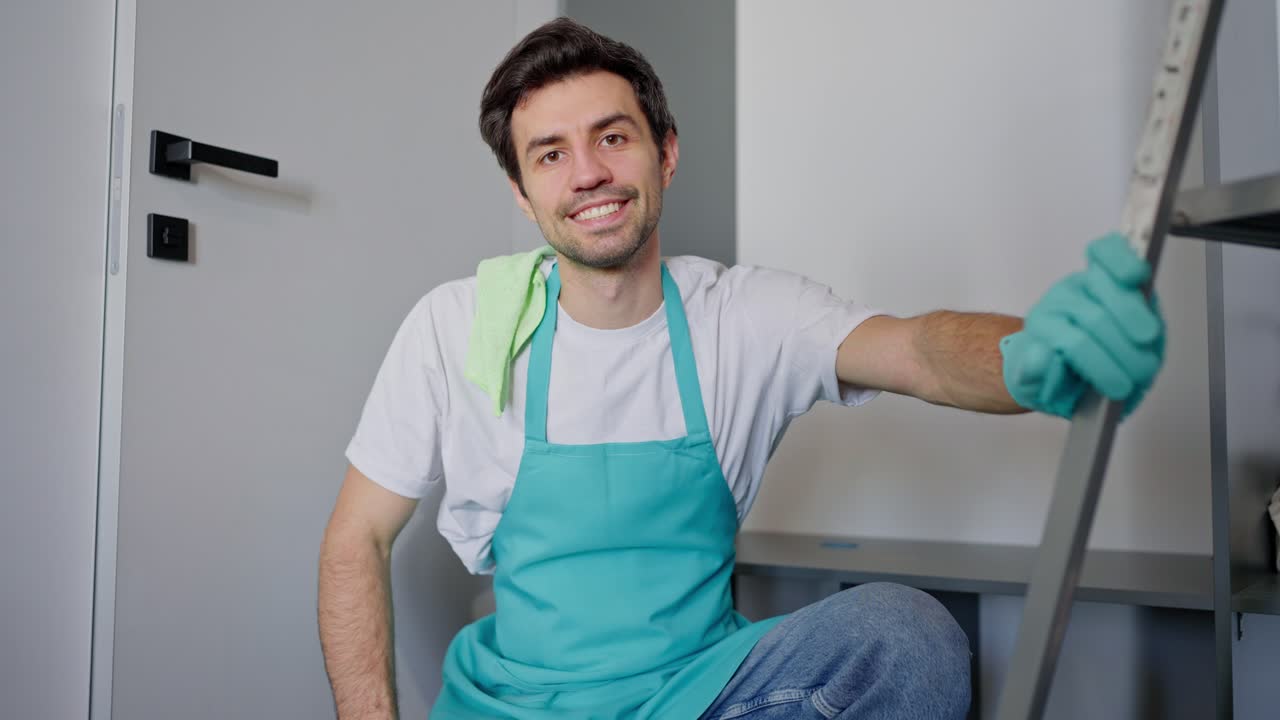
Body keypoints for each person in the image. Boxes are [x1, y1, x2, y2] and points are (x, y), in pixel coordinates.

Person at [317, 17, 1164, 720]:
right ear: (521, 189)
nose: (589, 174)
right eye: (550, 154)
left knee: (906, 632)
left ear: (665, 152)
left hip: (706, 695)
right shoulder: (456, 328)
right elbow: (357, 537)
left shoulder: (741, 315)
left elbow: (916, 351)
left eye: (612, 137)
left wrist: (1028, 353)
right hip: (516, 706)